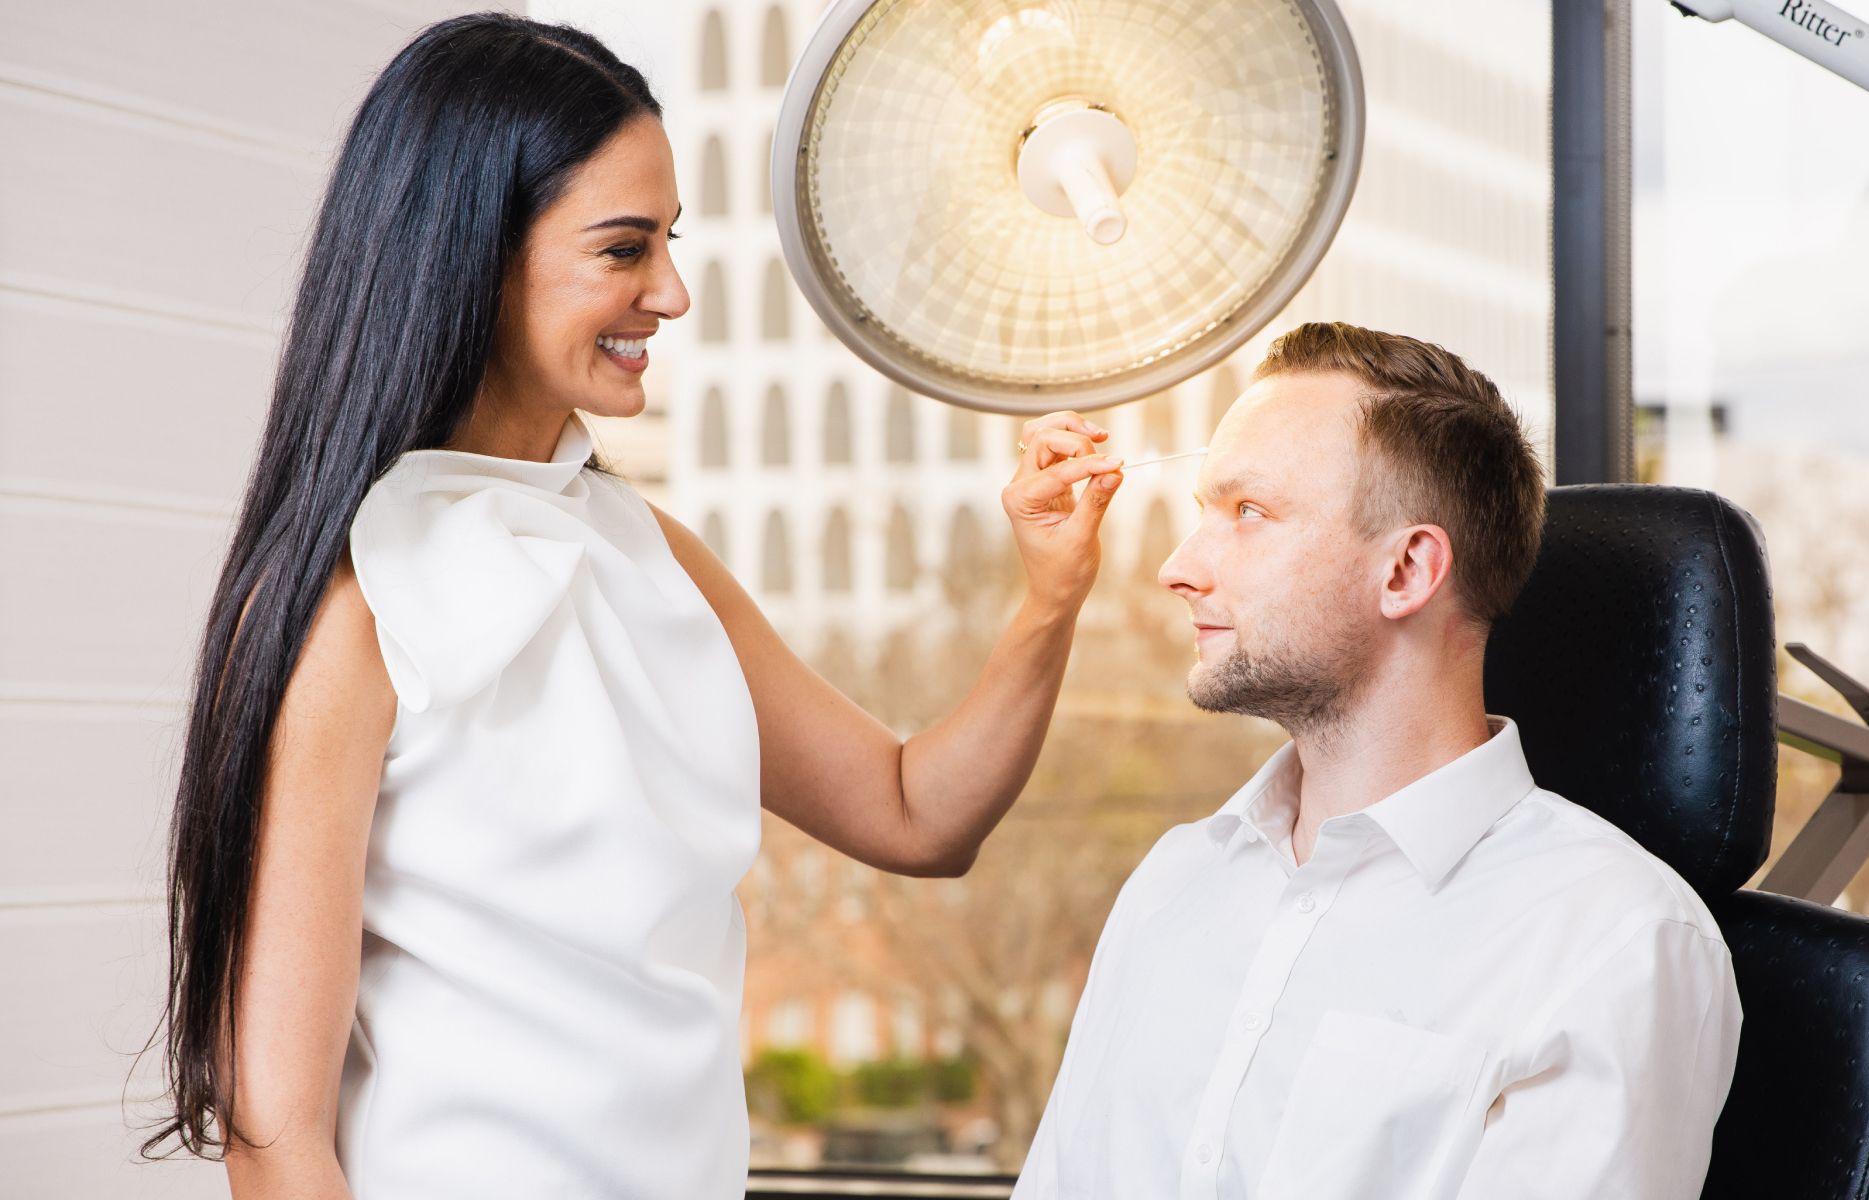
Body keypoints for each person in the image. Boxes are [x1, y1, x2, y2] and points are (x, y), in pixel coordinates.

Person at [142, 15, 1123, 1197]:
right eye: (622, 249)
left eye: (669, 242)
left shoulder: (649, 553)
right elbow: (276, 1131)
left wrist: (1049, 601)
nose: (672, 292)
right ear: (472, 255)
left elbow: (917, 815)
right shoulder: (350, 609)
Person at [1015, 322, 1741, 1199]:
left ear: (1406, 570)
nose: (1179, 567)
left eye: (1248, 513)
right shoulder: (1173, 885)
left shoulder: (1615, 941)